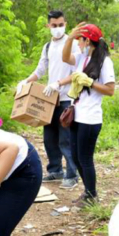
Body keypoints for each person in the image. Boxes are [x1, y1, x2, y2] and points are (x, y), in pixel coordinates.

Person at [17, 10, 80, 189]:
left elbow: (78, 72)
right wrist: (26, 82)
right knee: (50, 137)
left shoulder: (73, 44)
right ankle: (55, 170)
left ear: (65, 24)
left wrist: (59, 83)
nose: (58, 28)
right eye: (54, 25)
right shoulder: (47, 46)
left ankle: (72, 174)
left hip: (68, 97)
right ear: (48, 26)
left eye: (61, 25)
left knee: (66, 138)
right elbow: (40, 69)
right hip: (50, 98)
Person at [61, 23, 115, 207]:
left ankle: (92, 195)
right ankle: (88, 192)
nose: (78, 43)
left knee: (85, 158)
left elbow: (110, 90)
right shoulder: (82, 58)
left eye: (80, 40)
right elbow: (65, 57)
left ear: (87, 41)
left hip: (90, 118)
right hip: (77, 115)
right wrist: (69, 38)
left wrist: (90, 82)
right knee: (76, 157)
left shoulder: (104, 61)